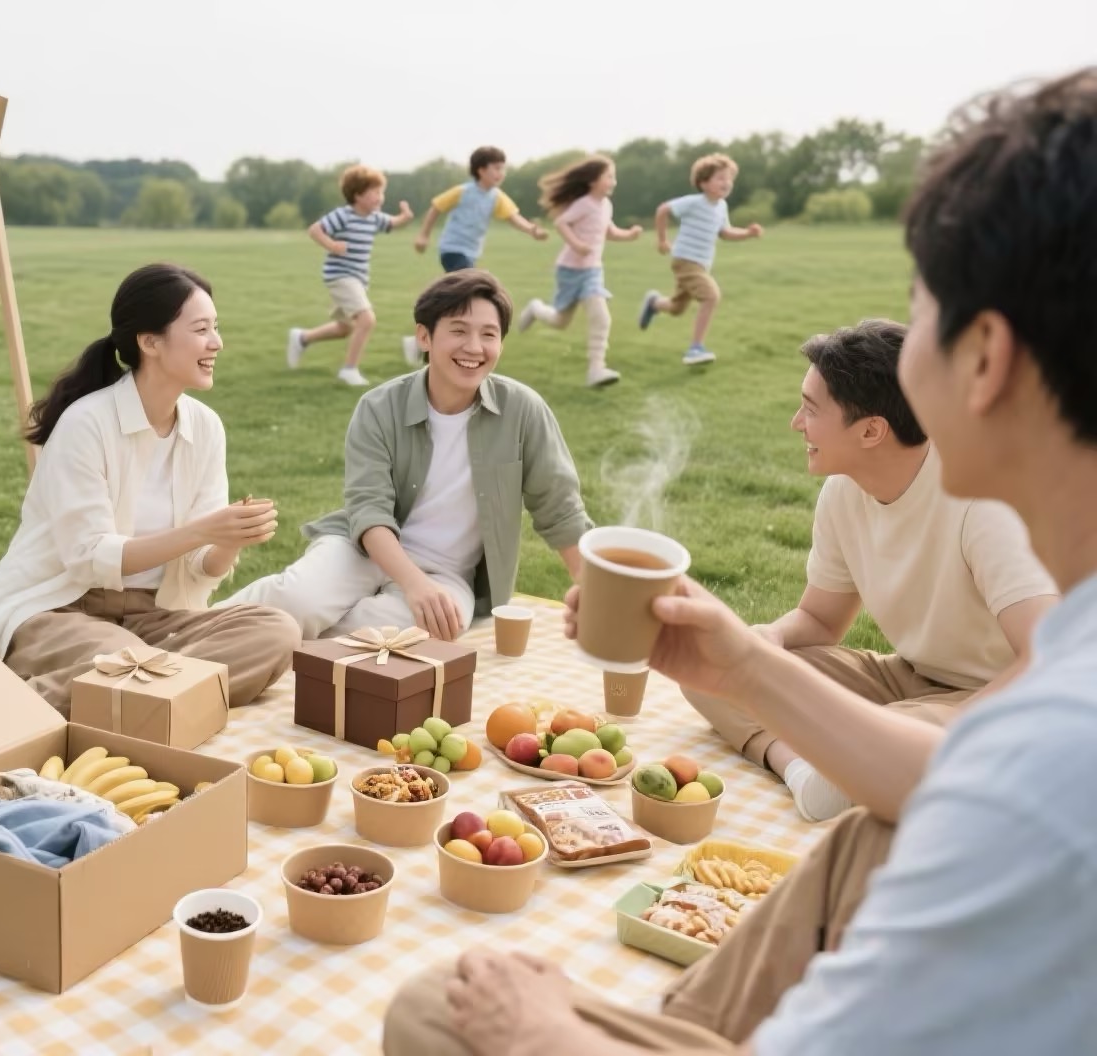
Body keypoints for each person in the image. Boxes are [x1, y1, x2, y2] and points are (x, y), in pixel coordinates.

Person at [383, 67, 1097, 1055]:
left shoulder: (1053, 768)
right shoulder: (1064, 683)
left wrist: (541, 1035)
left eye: (918, 305)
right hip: (910, 707)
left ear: (988, 357)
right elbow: (831, 638)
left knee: (438, 1008)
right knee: (868, 826)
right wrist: (743, 664)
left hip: (956, 703)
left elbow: (1004, 783)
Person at [686, 319, 1056, 821]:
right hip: (909, 675)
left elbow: (1046, 657)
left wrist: (911, 725)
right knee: (712, 665)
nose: (797, 423)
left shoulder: (981, 500)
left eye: (811, 409)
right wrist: (758, 645)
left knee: (885, 732)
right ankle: (799, 768)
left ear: (871, 430)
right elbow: (819, 622)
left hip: (1000, 695)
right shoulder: (843, 493)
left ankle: (855, 766)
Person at [0, 264, 300, 715]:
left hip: (154, 618)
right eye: (201, 329)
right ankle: (147, 696)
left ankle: (124, 696)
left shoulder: (205, 428)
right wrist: (204, 529)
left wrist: (227, 541)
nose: (216, 342)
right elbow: (89, 559)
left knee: (276, 632)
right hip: (61, 609)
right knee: (125, 661)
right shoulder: (87, 423)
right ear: (150, 342)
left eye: (215, 328)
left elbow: (200, 569)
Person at [220, 269, 591, 641]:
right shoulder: (380, 407)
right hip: (362, 548)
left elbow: (559, 509)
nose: (474, 348)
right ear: (424, 336)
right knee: (297, 600)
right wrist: (413, 584)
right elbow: (369, 511)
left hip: (447, 573)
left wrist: (595, 591)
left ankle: (295, 659)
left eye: (489, 335)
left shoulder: (523, 411)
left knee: (400, 633)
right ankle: (188, 637)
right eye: (459, 331)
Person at [401, 147, 549, 365]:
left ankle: (419, 343)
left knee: (456, 298)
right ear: (481, 170)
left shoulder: (496, 197)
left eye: (503, 168)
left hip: (469, 253)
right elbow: (435, 207)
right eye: (497, 168)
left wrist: (532, 230)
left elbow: (513, 217)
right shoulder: (463, 191)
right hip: (452, 249)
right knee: (469, 292)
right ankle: (426, 341)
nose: (501, 173)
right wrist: (423, 235)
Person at [518, 155, 644, 388]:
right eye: (609, 176)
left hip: (592, 271)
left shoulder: (606, 205)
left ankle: (596, 369)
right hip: (569, 270)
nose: (613, 181)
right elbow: (561, 223)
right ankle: (536, 309)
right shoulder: (584, 204)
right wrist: (576, 245)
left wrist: (629, 235)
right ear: (592, 181)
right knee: (559, 321)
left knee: (601, 315)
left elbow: (610, 231)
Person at [286, 164, 415, 387]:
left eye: (381, 192)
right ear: (357, 195)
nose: (380, 197)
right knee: (366, 320)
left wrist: (405, 216)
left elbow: (392, 223)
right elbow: (315, 230)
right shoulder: (343, 215)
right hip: (341, 276)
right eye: (375, 192)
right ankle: (349, 370)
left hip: (358, 279)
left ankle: (302, 338)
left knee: (345, 328)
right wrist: (332, 245)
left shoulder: (374, 218)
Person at [637, 154, 762, 366]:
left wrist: (748, 233)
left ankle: (654, 303)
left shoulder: (721, 206)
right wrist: (662, 240)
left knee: (677, 308)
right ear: (703, 182)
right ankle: (696, 348)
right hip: (685, 259)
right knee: (711, 296)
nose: (726, 182)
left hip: (701, 264)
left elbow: (725, 232)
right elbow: (663, 210)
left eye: (729, 178)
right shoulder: (694, 202)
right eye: (720, 178)